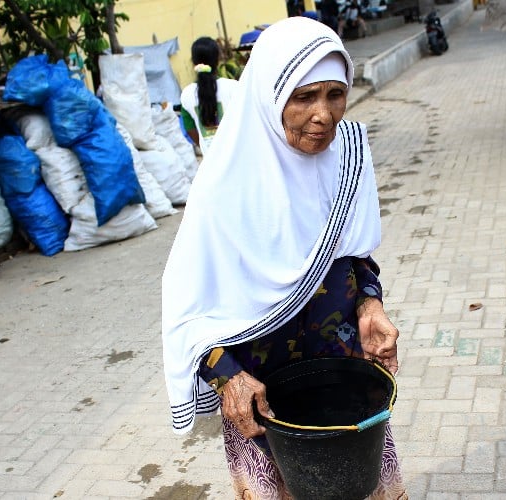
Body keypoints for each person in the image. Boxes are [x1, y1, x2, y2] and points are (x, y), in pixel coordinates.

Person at [161, 17, 406, 500]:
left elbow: (354, 251)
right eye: (304, 96)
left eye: (336, 94)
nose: (324, 115)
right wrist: (227, 376)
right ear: (271, 96)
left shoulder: (348, 153)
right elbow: (189, 310)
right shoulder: (224, 187)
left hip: (340, 372)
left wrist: (370, 305)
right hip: (263, 393)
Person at [179, 37, 239, 154]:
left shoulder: (186, 95)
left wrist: (205, 147)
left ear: (193, 62)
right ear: (217, 60)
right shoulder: (233, 88)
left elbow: (189, 128)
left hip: (212, 163)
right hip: (238, 157)